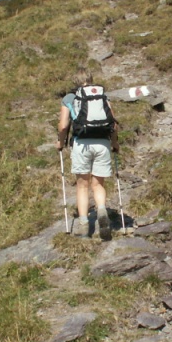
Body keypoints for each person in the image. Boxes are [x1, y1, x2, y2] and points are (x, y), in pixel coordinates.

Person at [57, 68, 120, 240]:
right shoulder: (102, 96)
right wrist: (115, 143)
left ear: (75, 82)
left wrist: (60, 143)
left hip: (81, 144)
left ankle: (84, 227)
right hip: (102, 143)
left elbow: (63, 126)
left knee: (82, 186)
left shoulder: (70, 98)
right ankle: (101, 211)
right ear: (91, 79)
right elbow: (113, 124)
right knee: (98, 184)